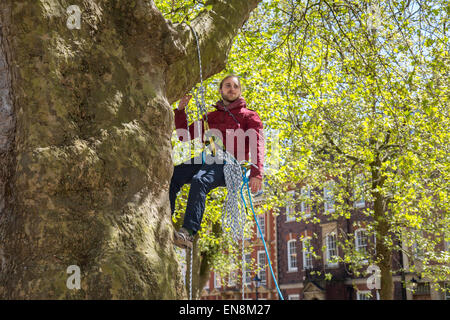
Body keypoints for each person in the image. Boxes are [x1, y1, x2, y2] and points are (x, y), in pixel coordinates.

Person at [170, 75, 264, 249]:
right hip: (210, 158)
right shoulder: (211, 117)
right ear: (221, 90)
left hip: (231, 165)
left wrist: (257, 173)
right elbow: (184, 136)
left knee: (200, 180)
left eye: (235, 86)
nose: (232, 89)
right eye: (227, 86)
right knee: (174, 175)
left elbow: (257, 144)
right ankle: (165, 218)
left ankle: (188, 232)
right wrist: (181, 110)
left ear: (240, 91)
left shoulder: (249, 117)